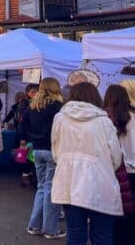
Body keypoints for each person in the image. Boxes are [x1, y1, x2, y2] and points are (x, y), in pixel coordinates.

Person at [51, 82, 123, 245]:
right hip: (100, 182)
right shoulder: (104, 121)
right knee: (102, 234)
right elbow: (116, 157)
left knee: (75, 232)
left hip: (68, 181)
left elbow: (56, 151)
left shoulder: (60, 118)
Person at [19, 77, 65, 239]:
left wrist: (28, 139)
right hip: (52, 149)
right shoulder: (58, 107)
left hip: (37, 150)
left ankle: (34, 225)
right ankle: (50, 229)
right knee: (51, 189)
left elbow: (23, 126)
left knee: (41, 187)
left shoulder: (32, 107)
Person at [103, 83, 135, 245]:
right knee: (131, 214)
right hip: (133, 172)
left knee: (112, 212)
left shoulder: (103, 119)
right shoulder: (133, 117)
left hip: (113, 171)